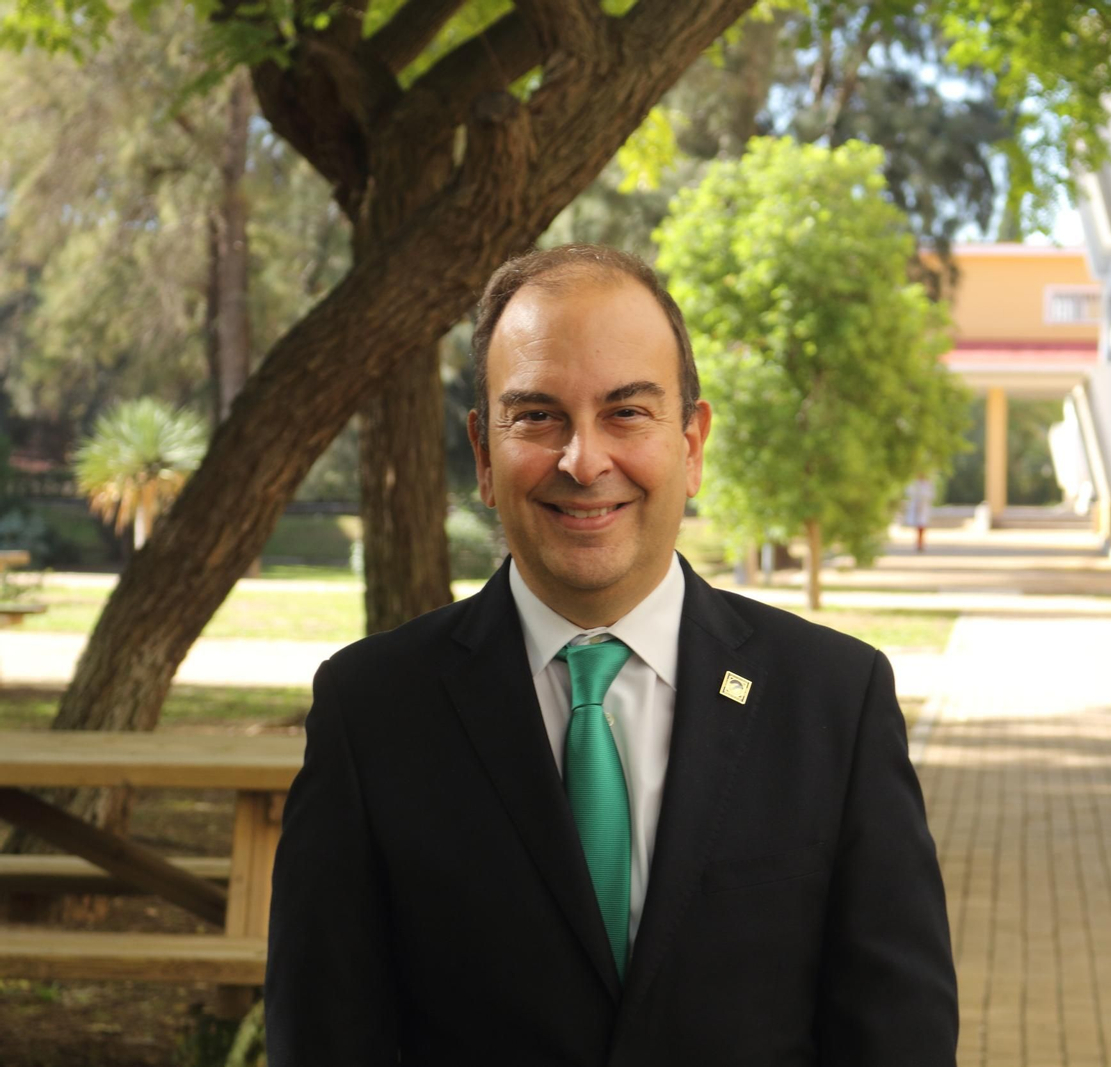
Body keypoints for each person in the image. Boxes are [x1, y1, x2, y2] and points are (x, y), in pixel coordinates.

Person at [264, 244, 958, 1065]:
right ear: (484, 454)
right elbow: (324, 1037)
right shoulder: (371, 711)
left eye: (626, 411)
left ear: (692, 443)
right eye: (537, 415)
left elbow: (898, 1038)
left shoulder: (835, 702)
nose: (583, 460)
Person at [902, 474, 936, 552]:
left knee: (922, 525)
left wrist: (923, 498)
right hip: (916, 506)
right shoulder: (914, 483)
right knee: (918, 525)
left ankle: (921, 543)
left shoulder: (928, 483)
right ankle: (919, 542)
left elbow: (931, 495)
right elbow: (909, 492)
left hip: (924, 506)